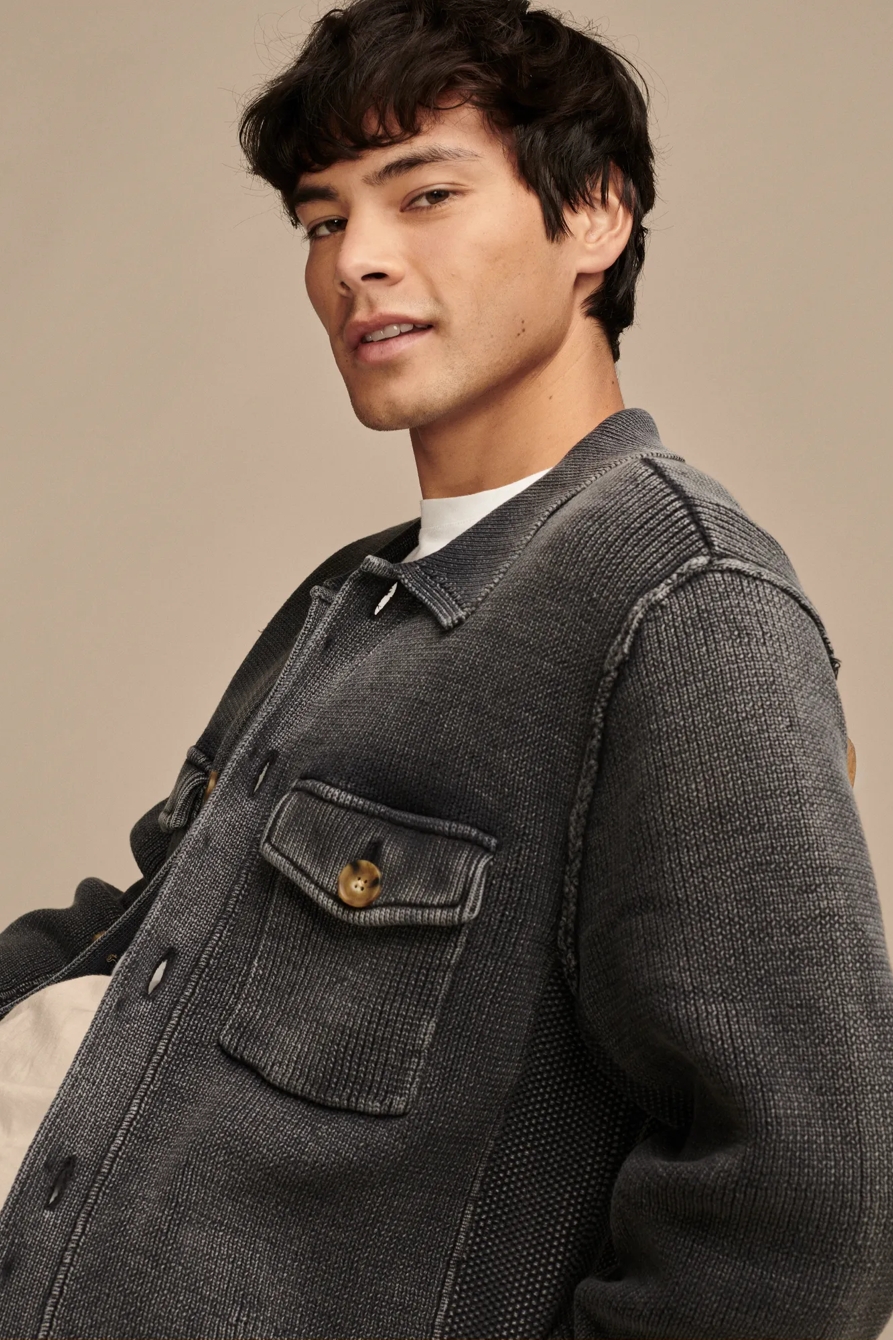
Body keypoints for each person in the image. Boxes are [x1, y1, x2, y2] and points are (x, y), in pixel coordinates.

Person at [0, 0, 891, 1334]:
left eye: (423, 196)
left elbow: (808, 1213)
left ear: (594, 215)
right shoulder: (354, 594)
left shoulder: (681, 602)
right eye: (321, 220)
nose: (356, 260)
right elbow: (146, 935)